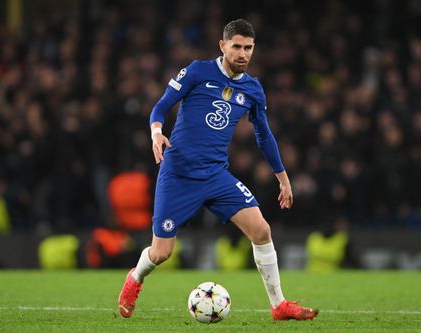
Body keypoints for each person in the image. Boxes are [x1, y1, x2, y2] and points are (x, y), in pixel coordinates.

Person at [117, 19, 318, 321]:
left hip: (215, 175)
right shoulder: (198, 71)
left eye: (248, 48)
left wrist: (283, 179)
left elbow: (264, 136)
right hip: (179, 174)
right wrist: (156, 132)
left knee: (262, 230)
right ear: (222, 46)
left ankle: (279, 305)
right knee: (161, 253)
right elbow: (161, 105)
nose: (242, 53)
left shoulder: (252, 89)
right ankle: (135, 279)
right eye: (236, 46)